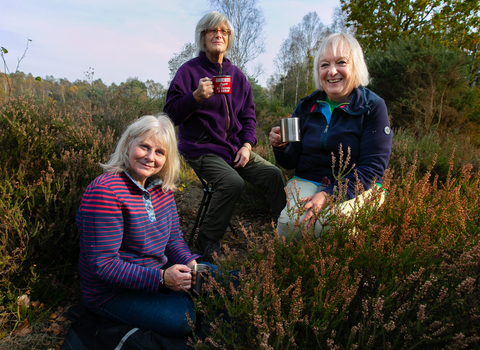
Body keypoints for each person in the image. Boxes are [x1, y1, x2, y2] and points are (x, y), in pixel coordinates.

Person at [164, 11, 286, 261]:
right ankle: (206, 240)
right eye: (212, 30)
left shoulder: (238, 76)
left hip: (233, 149)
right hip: (201, 149)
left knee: (273, 174)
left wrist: (247, 145)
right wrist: (194, 98)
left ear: (228, 38)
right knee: (232, 182)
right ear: (203, 36)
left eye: (223, 31)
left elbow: (248, 116)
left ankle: (285, 231)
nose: (218, 34)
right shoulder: (188, 72)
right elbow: (169, 116)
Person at [76, 114, 207, 338]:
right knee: (183, 319)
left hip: (157, 277)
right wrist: (162, 279)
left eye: (159, 152)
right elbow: (103, 264)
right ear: (128, 144)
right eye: (144, 147)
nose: (150, 157)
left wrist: (189, 263)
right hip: (113, 293)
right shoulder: (106, 191)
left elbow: (173, 238)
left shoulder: (162, 188)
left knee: (217, 278)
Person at [269, 33, 393, 241]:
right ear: (318, 71)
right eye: (324, 64)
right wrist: (282, 147)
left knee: (330, 226)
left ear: (355, 66)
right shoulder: (306, 106)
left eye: (341, 62)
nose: (332, 71)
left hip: (359, 185)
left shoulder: (373, 107)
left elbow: (372, 169)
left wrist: (328, 194)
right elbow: (290, 162)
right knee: (290, 223)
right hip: (309, 178)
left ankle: (342, 271)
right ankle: (290, 271)